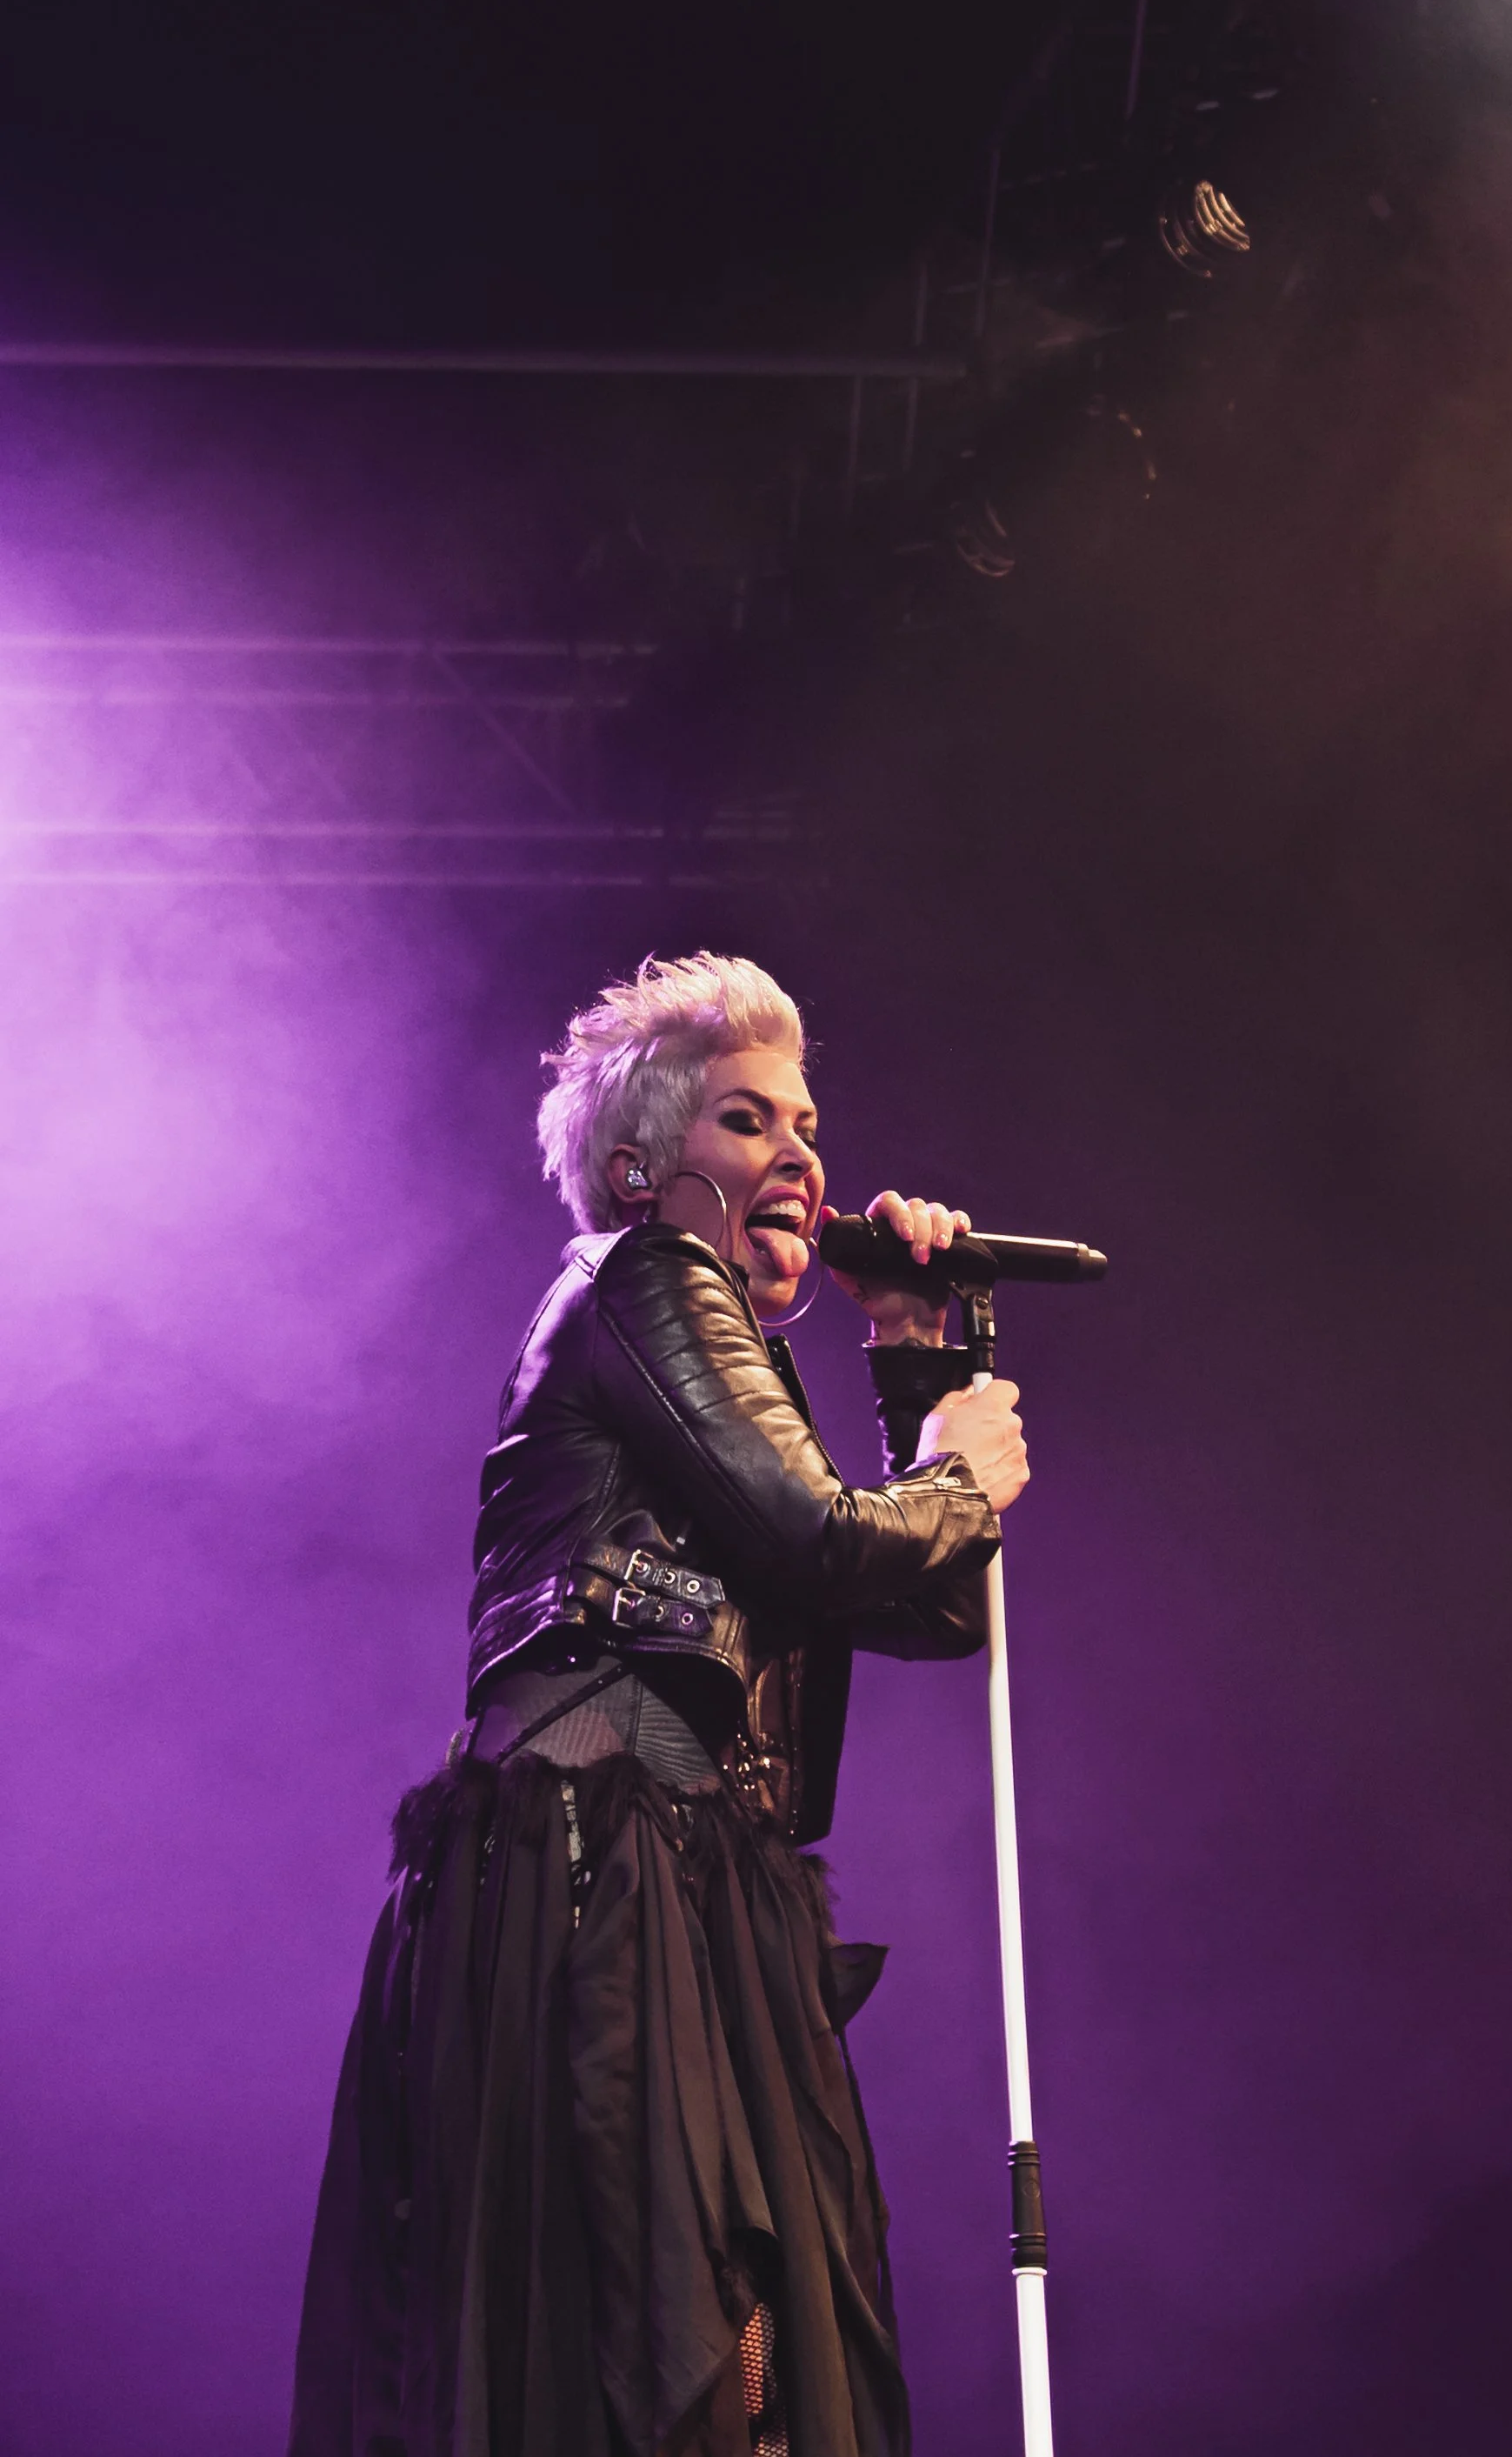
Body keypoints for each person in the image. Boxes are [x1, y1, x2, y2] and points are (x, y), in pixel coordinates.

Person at [288, 951, 1029, 2457]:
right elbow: (834, 1536)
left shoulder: (719, 1344)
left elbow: (926, 1606)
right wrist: (963, 1471)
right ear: (642, 1167)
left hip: (693, 1879)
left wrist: (904, 1343)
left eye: (810, 1122)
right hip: (599, 1867)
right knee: (663, 2334)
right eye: (751, 1121)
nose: (806, 1156)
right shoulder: (639, 1278)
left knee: (736, 2340)